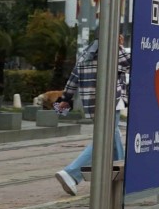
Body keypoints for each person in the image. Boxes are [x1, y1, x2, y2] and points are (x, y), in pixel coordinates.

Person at [53, 42, 128, 196]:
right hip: (110, 101)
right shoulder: (114, 50)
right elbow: (134, 62)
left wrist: (66, 98)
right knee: (105, 139)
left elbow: (73, 77)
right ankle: (72, 173)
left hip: (91, 104)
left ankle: (118, 178)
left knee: (112, 138)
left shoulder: (85, 54)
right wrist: (120, 46)